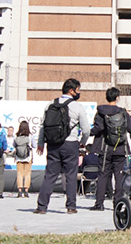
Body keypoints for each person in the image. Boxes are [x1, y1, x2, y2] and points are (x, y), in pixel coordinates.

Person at [34, 78, 91, 215]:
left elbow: (43, 126)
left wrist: (41, 143)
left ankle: (42, 206)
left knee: (50, 175)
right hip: (70, 144)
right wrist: (82, 141)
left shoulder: (50, 105)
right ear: (72, 91)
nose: (79, 93)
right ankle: (71, 206)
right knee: (71, 175)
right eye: (78, 90)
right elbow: (86, 129)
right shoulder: (77, 107)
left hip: (53, 144)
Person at [89, 87, 131, 211]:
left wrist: (89, 133)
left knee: (103, 175)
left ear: (107, 97)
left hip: (105, 148)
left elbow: (98, 128)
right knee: (119, 175)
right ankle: (118, 203)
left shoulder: (101, 111)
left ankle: (99, 203)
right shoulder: (123, 112)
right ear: (117, 98)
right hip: (121, 149)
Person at [13, 121, 35, 198]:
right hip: (28, 157)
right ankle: (26, 190)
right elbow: (34, 145)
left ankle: (19, 191)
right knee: (27, 174)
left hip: (18, 157)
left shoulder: (16, 135)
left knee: (19, 174)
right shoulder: (30, 136)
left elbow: (14, 145)